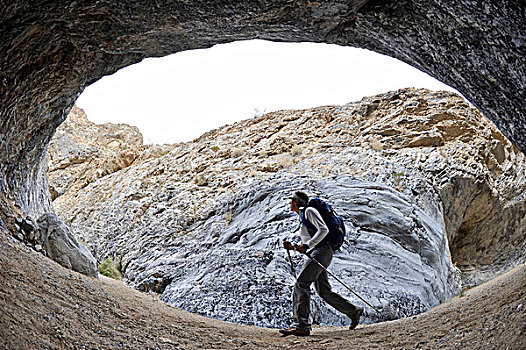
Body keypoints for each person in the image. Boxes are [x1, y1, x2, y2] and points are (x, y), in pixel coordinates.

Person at [279, 191, 363, 336]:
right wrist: (293, 246)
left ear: (296, 202)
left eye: (291, 200)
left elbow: (324, 230)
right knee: (323, 291)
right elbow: (308, 243)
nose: (290, 204)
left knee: (301, 284)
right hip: (317, 253)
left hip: (322, 252)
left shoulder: (309, 211)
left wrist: (307, 245)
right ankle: (353, 311)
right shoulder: (302, 217)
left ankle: (302, 325)